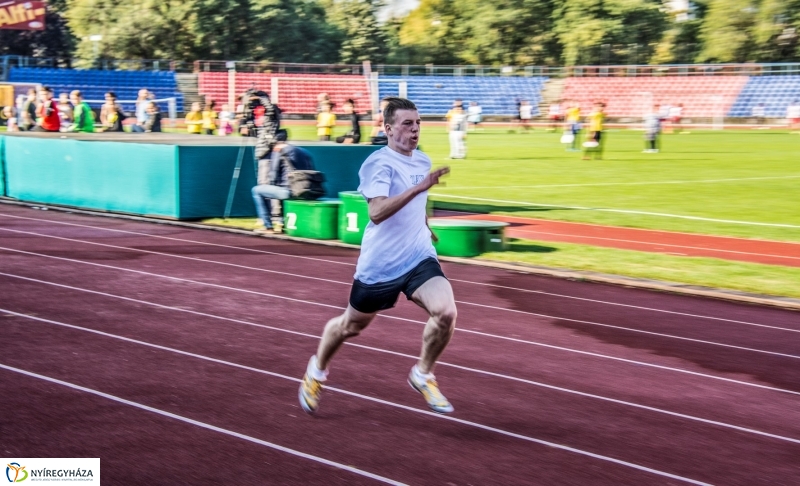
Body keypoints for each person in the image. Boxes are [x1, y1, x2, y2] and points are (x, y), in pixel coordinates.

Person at [298, 97, 457, 416]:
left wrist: (425, 224)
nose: (414, 130)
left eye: (418, 123)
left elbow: (418, 199)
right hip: (381, 264)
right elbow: (377, 212)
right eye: (406, 124)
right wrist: (418, 189)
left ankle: (422, 375)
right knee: (350, 326)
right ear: (388, 129)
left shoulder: (422, 161)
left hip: (418, 256)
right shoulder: (377, 164)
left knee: (446, 312)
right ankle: (317, 371)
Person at [251, 130, 315, 234]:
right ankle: (281, 223)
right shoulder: (303, 151)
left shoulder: (278, 150)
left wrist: (271, 186)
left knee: (256, 190)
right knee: (280, 189)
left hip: (289, 191)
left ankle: (268, 226)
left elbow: (273, 174)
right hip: (307, 189)